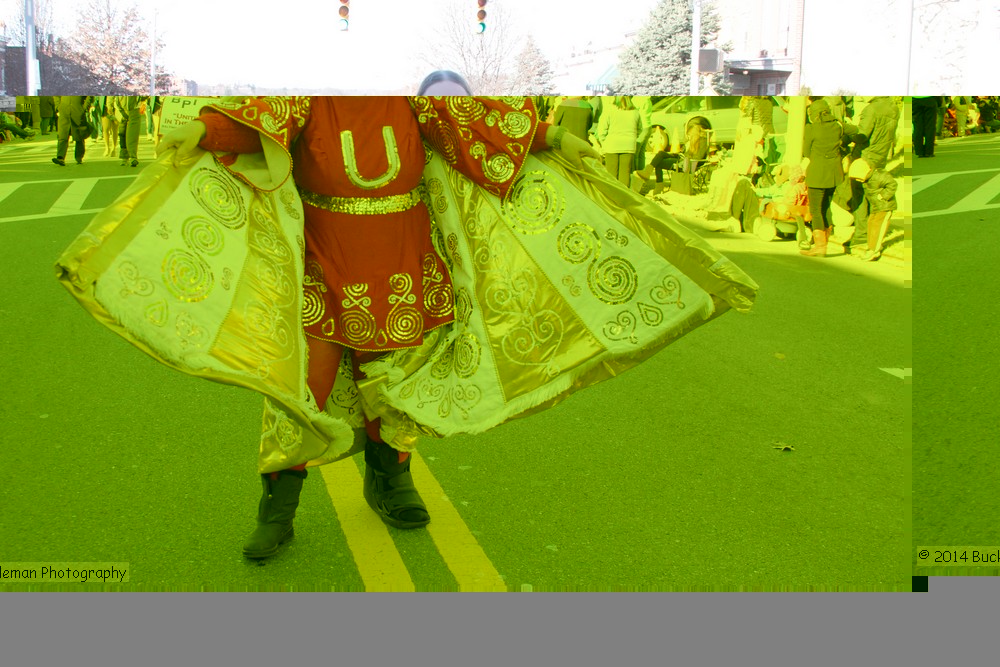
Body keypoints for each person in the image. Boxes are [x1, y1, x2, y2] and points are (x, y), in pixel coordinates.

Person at [59, 94, 758, 562]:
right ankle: (280, 498)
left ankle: (390, 478)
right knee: (306, 381)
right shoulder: (306, 84)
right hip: (325, 253)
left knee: (395, 378)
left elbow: (472, 119)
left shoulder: (416, 80)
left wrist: (549, 136)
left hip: (403, 249)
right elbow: (255, 120)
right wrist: (204, 131)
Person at [800, 100, 845, 258]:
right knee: (826, 207)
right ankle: (825, 241)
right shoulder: (838, 126)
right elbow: (854, 132)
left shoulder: (811, 128)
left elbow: (806, 152)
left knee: (816, 210)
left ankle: (820, 246)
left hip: (817, 173)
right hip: (833, 173)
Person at [848, 158, 896, 262]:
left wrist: (883, 196)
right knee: (871, 224)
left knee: (879, 227)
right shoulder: (867, 179)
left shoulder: (879, 176)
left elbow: (892, 185)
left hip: (885, 206)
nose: (858, 180)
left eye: (858, 178)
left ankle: (874, 250)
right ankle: (871, 246)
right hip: (876, 207)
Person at [598, 95, 643, 186]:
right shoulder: (635, 112)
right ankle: (624, 195)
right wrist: (632, 137)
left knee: (611, 173)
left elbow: (601, 130)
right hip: (629, 145)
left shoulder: (609, 111)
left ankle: (611, 196)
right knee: (625, 173)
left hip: (612, 145)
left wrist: (604, 141)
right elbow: (640, 129)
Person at [52, 96, 93, 166]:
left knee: (79, 136)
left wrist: (84, 107)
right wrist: (58, 106)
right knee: (62, 135)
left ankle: (79, 157)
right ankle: (60, 157)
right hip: (64, 112)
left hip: (78, 111)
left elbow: (89, 96)